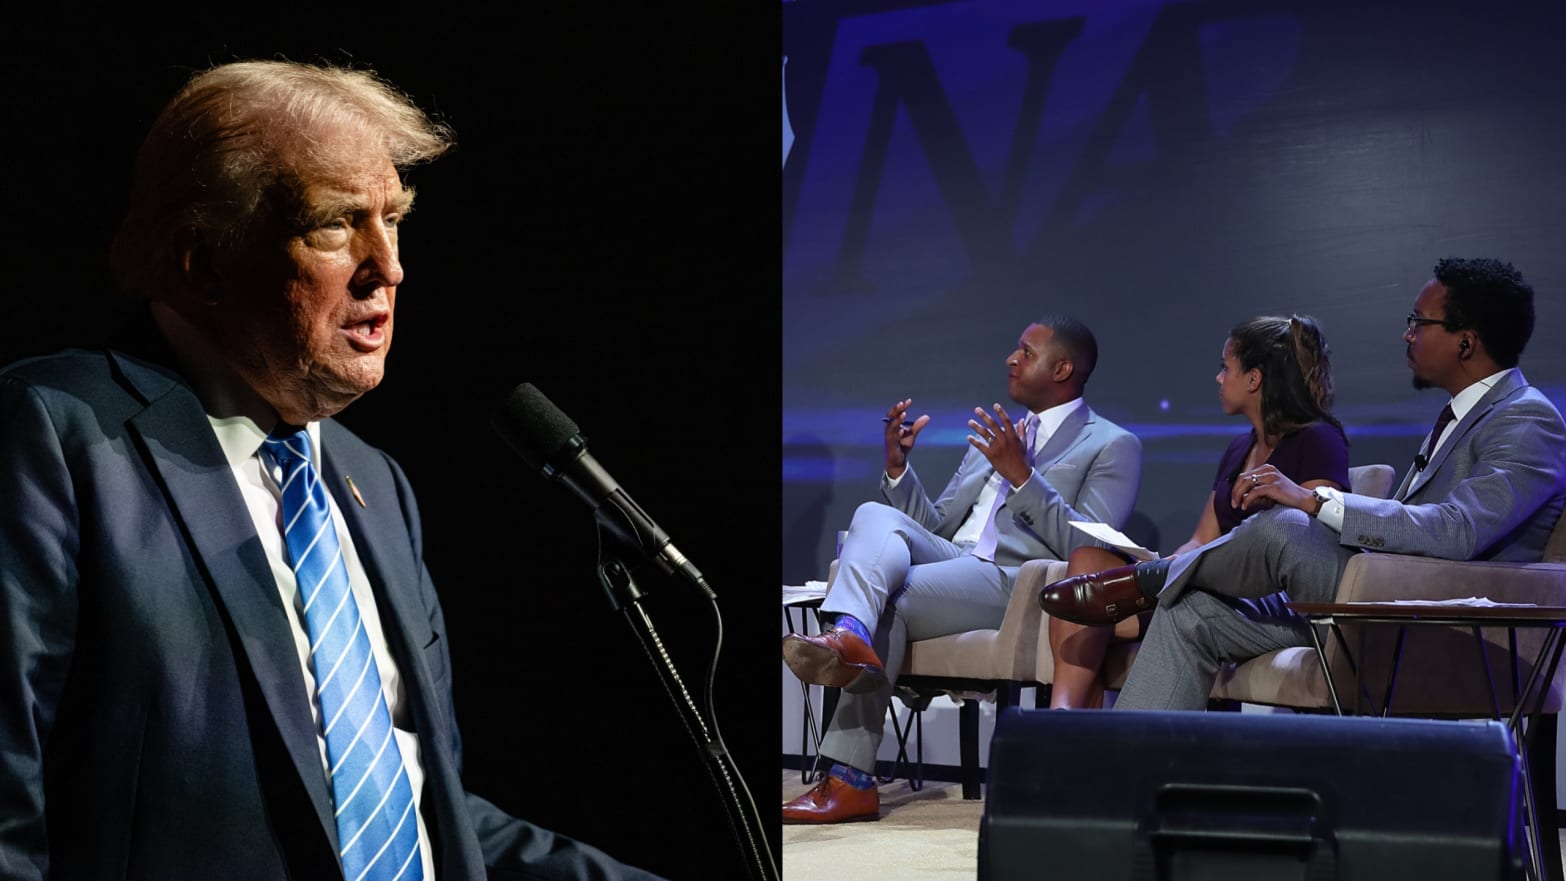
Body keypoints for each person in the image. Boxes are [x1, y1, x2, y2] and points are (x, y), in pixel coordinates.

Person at [0, 59, 665, 881]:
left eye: (393, 220)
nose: (387, 267)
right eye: (334, 225)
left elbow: (428, 815)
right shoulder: (57, 433)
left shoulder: (374, 485)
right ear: (202, 260)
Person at [1040, 258, 1566, 712]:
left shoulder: (1526, 420)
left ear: (1466, 341)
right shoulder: (1458, 417)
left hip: (1446, 623)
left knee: (1287, 525)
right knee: (1193, 612)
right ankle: (1129, 789)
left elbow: (1459, 532)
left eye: (1418, 322)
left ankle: (1147, 583)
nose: (1407, 334)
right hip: (1377, 602)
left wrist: (1314, 500)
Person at [780, 315, 1144, 823]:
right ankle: (850, 633)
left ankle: (849, 779)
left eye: (1025, 351)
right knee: (873, 513)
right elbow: (938, 525)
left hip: (1014, 581)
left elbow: (1094, 548)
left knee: (893, 602)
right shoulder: (999, 435)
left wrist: (1023, 477)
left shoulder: (1111, 444)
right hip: (957, 563)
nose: (1010, 359)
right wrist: (898, 470)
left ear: (1063, 367)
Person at [1046, 314, 1350, 709]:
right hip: (1210, 586)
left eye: (1227, 369)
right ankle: (1064, 722)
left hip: (1270, 602)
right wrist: (1169, 564)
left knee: (1092, 612)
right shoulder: (1238, 450)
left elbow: (1311, 542)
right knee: (1088, 563)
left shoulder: (1319, 438)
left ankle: (1080, 739)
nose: (1219, 379)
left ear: (1254, 379)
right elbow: (1201, 540)